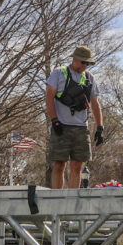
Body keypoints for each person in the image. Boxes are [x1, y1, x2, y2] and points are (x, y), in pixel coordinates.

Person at [45, 45, 104, 189]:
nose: (85, 65)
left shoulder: (89, 77)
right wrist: (54, 120)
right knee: (59, 164)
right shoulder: (59, 73)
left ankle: (72, 200)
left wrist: (100, 126)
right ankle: (57, 200)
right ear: (75, 59)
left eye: (88, 63)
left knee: (77, 165)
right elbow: (49, 97)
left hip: (81, 128)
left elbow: (95, 103)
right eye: (83, 62)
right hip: (61, 126)